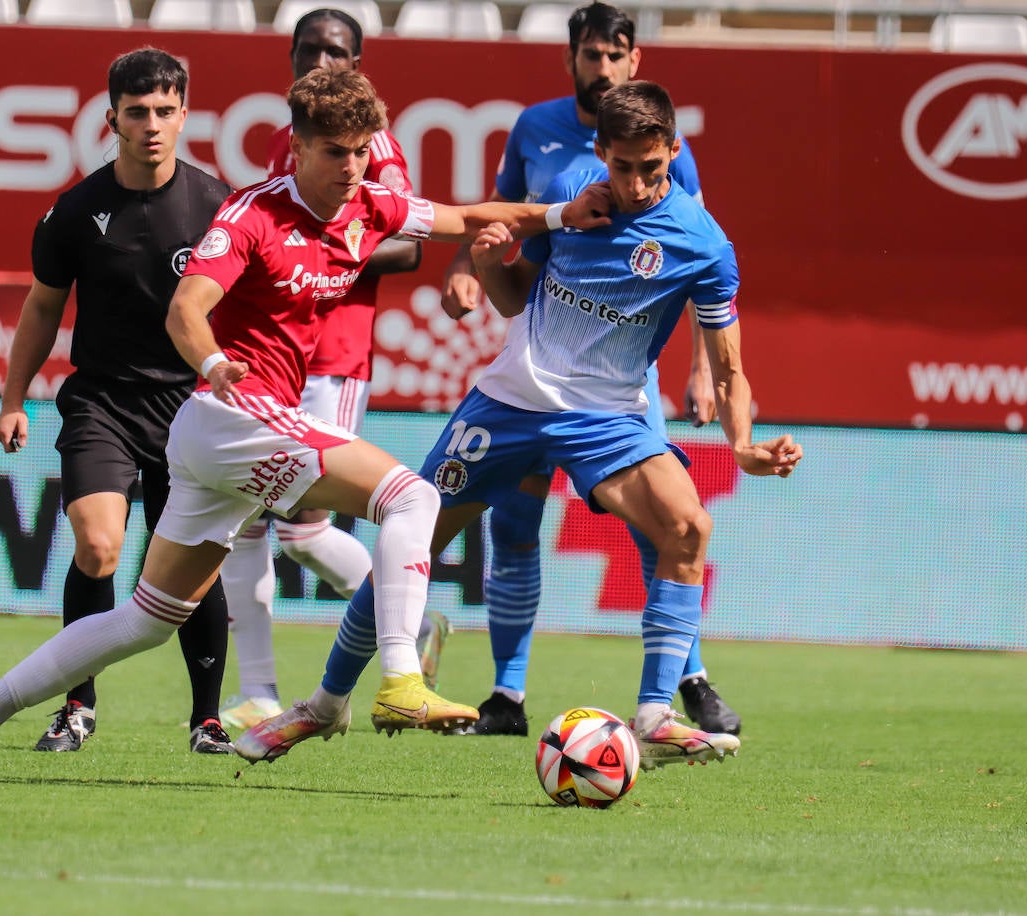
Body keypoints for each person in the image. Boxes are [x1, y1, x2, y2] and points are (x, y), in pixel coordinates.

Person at [0, 68, 611, 781]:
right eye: (335, 153)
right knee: (413, 497)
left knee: (146, 620)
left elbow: (465, 218)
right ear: (299, 151)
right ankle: (401, 678)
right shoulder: (251, 214)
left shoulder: (370, 205)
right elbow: (185, 307)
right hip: (232, 414)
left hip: (221, 435)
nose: (352, 168)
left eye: (362, 152)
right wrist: (215, 360)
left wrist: (564, 214)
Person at [242, 80, 799, 770]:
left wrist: (742, 443)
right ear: (601, 153)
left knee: (688, 526)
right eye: (622, 167)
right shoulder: (574, 197)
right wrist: (486, 262)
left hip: (606, 417)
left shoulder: (703, 244)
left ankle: (655, 712)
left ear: (674, 152)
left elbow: (729, 368)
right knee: (405, 545)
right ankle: (324, 705)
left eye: (651, 169)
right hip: (510, 404)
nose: (635, 185)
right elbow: (512, 299)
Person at [439, 1, 741, 738]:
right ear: (571, 58)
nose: (602, 67)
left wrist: (704, 370)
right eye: (591, 54)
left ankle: (681, 685)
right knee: (511, 522)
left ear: (634, 61)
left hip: (616, 387)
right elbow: (500, 216)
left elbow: (692, 262)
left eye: (615, 55)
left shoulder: (664, 155)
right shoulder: (535, 130)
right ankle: (507, 694)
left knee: (663, 528)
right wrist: (465, 265)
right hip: (541, 364)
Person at [0, 48, 237, 756]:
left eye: (165, 111)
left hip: (192, 414)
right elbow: (41, 309)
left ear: (185, 116)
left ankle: (207, 721)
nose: (152, 124)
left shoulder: (220, 208)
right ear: (112, 119)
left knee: (194, 572)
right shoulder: (74, 211)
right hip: (101, 404)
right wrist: (14, 397)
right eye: (137, 112)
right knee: (98, 548)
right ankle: (76, 705)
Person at [217, 8, 447, 733]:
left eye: (338, 51)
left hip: (335, 352)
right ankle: (259, 689)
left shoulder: (369, 142)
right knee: (253, 522)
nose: (323, 60)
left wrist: (326, 246)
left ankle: (406, 624)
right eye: (311, 48)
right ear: (289, 55)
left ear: (360, 59)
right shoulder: (290, 139)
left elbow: (408, 243)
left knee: (301, 521)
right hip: (270, 358)